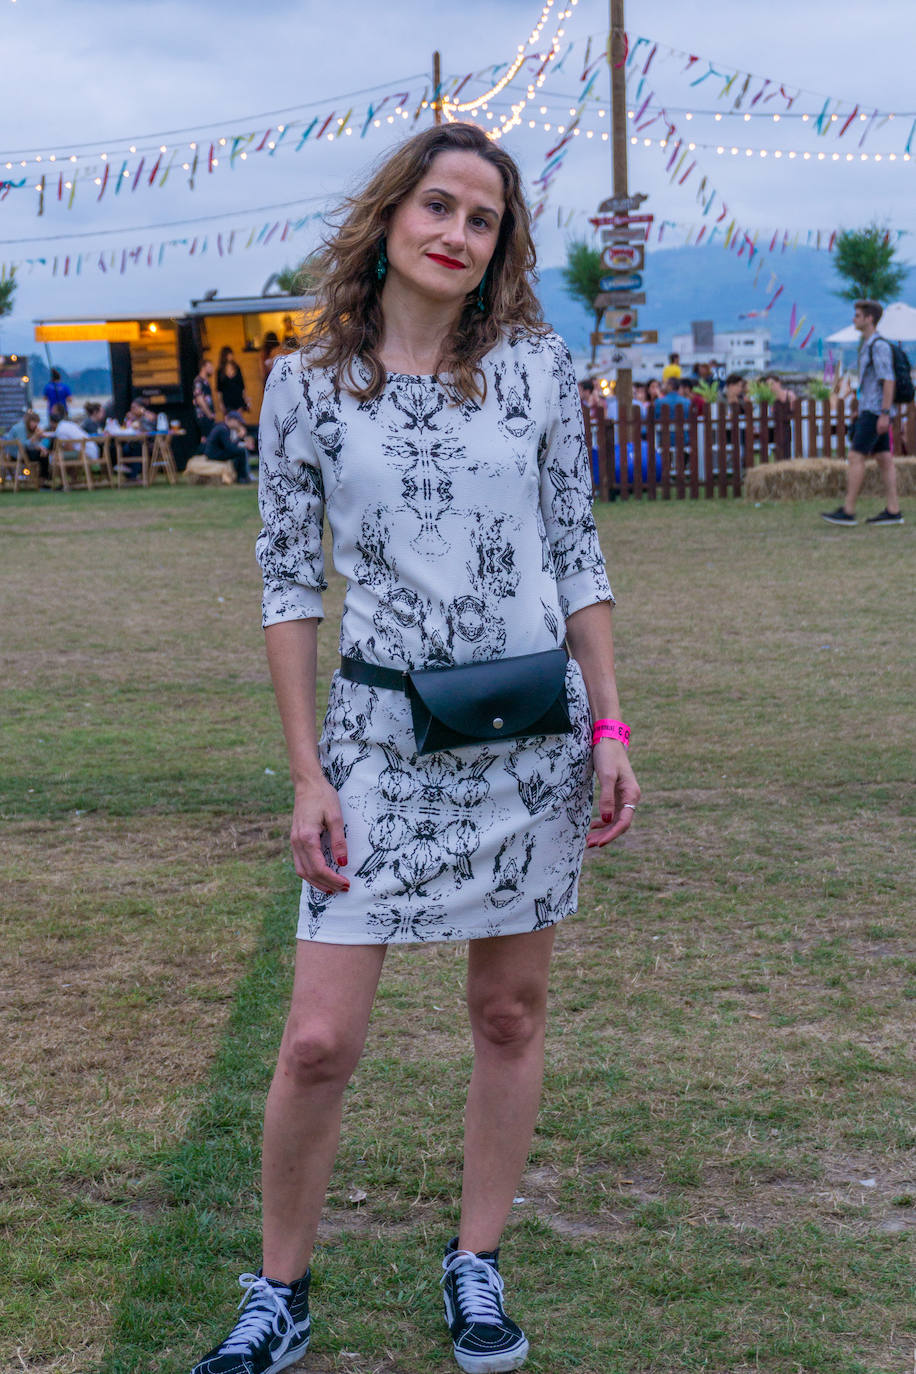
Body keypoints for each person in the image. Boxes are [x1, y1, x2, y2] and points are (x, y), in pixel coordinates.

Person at [189, 120, 640, 1374]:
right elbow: (289, 590)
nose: (454, 233)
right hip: (379, 744)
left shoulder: (539, 370)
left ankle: (477, 1263)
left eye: (480, 218)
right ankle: (280, 1291)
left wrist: (608, 724)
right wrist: (305, 772)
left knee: (507, 1012)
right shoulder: (306, 388)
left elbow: (577, 554)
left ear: (500, 246)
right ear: (391, 217)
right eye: (436, 206)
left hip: (530, 742)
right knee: (319, 1040)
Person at [821, 300, 904, 526]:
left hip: (876, 411)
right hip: (871, 408)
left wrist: (885, 413)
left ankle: (848, 510)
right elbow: (871, 382)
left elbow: (888, 380)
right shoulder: (868, 345)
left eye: (857, 315)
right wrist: (859, 405)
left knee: (856, 457)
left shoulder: (878, 346)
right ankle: (893, 510)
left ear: (869, 318)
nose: (854, 319)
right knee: (884, 459)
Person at [203, 409, 255, 483]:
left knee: (240, 451)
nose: (239, 425)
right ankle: (242, 477)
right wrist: (240, 437)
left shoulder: (222, 427)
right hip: (214, 454)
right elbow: (230, 448)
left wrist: (239, 442)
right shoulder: (223, 429)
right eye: (238, 422)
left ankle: (243, 475)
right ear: (232, 420)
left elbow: (229, 446)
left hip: (215, 452)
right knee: (241, 452)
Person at [4, 409, 50, 483]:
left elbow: (31, 443)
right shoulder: (20, 428)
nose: (36, 425)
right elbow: (23, 444)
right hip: (15, 455)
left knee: (43, 453)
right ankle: (43, 480)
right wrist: (35, 437)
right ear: (29, 421)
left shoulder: (27, 427)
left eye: (37, 423)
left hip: (21, 454)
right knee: (43, 456)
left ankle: (42, 479)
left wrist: (41, 448)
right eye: (34, 422)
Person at [216, 346, 251, 417]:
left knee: (239, 420)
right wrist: (220, 403)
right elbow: (219, 389)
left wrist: (246, 399)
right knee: (229, 421)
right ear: (225, 355)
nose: (231, 356)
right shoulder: (220, 371)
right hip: (227, 401)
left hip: (238, 399)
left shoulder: (237, 368)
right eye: (229, 354)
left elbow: (242, 385)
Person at [192, 356, 217, 440]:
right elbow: (199, 400)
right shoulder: (198, 381)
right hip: (204, 416)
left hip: (208, 416)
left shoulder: (205, 381)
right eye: (209, 367)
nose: (212, 369)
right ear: (203, 367)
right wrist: (209, 414)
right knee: (206, 439)